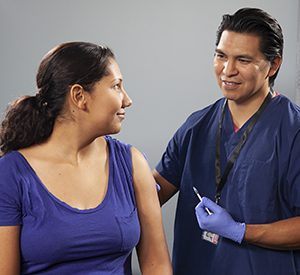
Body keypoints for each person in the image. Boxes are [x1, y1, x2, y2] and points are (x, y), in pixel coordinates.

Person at [0, 42, 172, 274]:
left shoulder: (131, 163)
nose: (127, 100)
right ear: (79, 96)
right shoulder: (11, 173)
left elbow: (157, 265)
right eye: (116, 87)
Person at [153, 7, 300, 274]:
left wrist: (239, 231)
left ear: (274, 65)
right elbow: (152, 192)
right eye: (221, 56)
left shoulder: (293, 131)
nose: (227, 70)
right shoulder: (196, 126)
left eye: (243, 60)